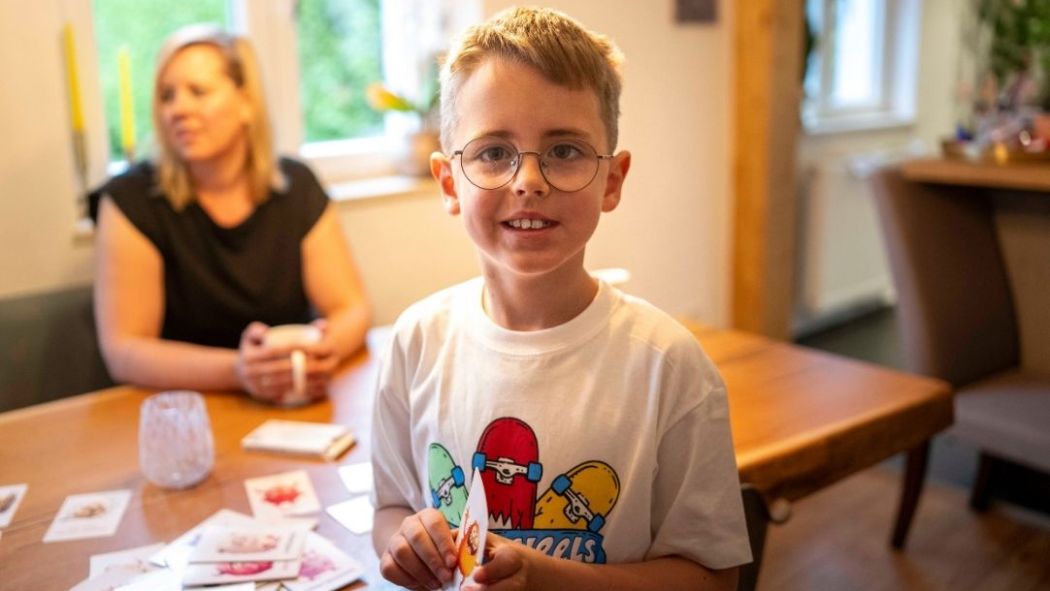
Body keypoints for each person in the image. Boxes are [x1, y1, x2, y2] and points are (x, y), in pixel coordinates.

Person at [370, 7, 751, 591]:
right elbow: (390, 508)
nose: (529, 180)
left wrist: (546, 577)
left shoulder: (669, 367)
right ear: (449, 182)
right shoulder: (415, 342)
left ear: (612, 181)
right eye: (494, 152)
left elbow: (713, 577)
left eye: (565, 151)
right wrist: (403, 543)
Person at [91, 24, 372, 405]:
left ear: (246, 103)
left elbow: (351, 308)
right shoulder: (130, 200)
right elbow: (125, 350)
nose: (178, 109)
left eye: (198, 91)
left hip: (292, 404)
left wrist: (323, 351)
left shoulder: (297, 185)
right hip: (186, 410)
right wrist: (240, 371)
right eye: (167, 95)